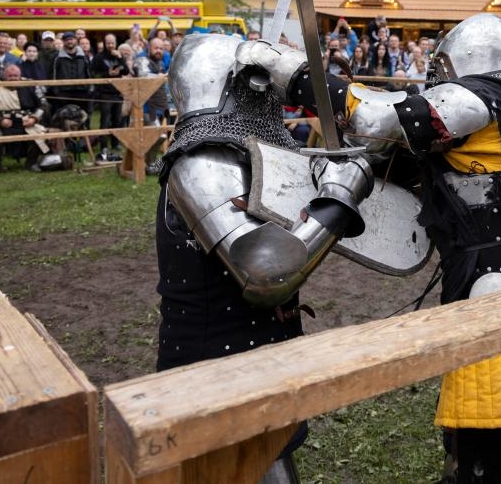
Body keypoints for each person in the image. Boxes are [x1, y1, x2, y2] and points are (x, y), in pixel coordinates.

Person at [239, 13, 501, 483]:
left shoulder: (480, 97)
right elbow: (408, 161)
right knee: (477, 431)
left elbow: (374, 119)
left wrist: (290, 72)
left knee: (494, 445)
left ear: (458, 63)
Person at [154, 32, 373, 483]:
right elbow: (265, 275)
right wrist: (340, 197)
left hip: (253, 360)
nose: (273, 87)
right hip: (217, 367)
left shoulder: (239, 155)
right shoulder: (202, 164)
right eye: (262, 77)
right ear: (238, 84)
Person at [0, 64, 49, 176]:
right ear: (4, 75)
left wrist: (34, 118)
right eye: (10, 76)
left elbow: (43, 104)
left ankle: (31, 163)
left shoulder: (30, 84)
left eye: (16, 76)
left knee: (41, 134)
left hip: (25, 121)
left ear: (20, 75)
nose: (13, 78)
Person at [90, 33, 129, 161]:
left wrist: (121, 58)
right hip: (104, 94)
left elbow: (126, 71)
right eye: (108, 43)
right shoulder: (98, 57)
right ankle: (103, 146)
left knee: (117, 120)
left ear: (115, 43)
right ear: (105, 43)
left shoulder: (118, 56)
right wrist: (108, 73)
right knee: (105, 121)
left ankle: (115, 144)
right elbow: (93, 75)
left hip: (117, 92)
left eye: (113, 43)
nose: (111, 45)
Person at [51, 31, 92, 115]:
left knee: (83, 116)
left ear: (76, 40)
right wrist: (56, 91)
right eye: (67, 40)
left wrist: (90, 88)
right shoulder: (56, 57)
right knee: (64, 117)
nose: (69, 41)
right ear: (63, 42)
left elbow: (89, 73)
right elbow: (53, 74)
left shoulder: (84, 56)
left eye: (71, 39)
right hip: (64, 92)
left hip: (82, 92)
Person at [133, 37, 169, 124]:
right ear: (149, 48)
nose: (158, 51)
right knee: (156, 134)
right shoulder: (141, 58)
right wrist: (158, 76)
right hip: (147, 106)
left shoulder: (160, 61)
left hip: (161, 104)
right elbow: (143, 76)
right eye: (156, 48)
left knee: (165, 134)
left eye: (161, 49)